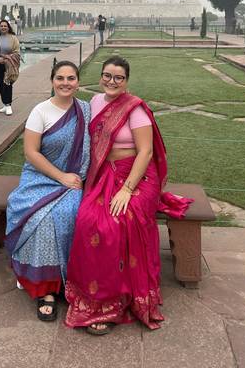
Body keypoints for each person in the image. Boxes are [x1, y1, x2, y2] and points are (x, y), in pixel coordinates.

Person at [65, 56, 192, 334]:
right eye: (107, 76)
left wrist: (126, 189)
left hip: (136, 176)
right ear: (100, 77)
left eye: (118, 77)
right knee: (87, 220)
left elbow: (146, 152)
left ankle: (119, 298)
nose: (112, 81)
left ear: (126, 81)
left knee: (118, 218)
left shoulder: (135, 110)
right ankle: (94, 295)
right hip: (104, 173)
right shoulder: (95, 103)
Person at [5, 61, 90, 322]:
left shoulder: (85, 110)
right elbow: (31, 153)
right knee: (41, 218)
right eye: (60, 78)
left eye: (71, 78)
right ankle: (46, 289)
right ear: (52, 80)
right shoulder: (41, 111)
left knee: (72, 213)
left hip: (75, 179)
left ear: (78, 81)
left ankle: (72, 280)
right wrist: (60, 177)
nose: (66, 83)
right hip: (41, 177)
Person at [0, 19, 21, 116]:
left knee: (8, 83)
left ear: (8, 27)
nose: (3, 28)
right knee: (0, 84)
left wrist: (6, 59)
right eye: (1, 26)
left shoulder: (13, 38)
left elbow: (17, 52)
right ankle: (4, 103)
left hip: (9, 65)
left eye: (5, 26)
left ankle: (8, 104)